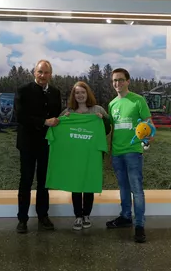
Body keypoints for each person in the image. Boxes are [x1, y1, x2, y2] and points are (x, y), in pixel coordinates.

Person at [14, 59, 62, 234]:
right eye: (40, 72)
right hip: (27, 144)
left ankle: (43, 216)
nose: (43, 75)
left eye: (46, 72)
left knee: (44, 182)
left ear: (51, 74)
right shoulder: (23, 91)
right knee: (25, 181)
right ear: (34, 72)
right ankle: (22, 219)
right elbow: (20, 116)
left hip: (47, 144)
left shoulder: (55, 92)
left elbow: (58, 116)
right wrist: (44, 122)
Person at [56, 81, 111, 231]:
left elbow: (107, 129)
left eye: (83, 92)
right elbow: (59, 129)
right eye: (77, 93)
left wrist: (102, 120)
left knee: (88, 185)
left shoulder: (97, 110)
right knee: (76, 185)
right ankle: (78, 216)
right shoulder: (68, 111)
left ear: (88, 94)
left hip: (92, 154)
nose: (80, 95)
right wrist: (63, 120)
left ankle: (86, 215)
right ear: (74, 96)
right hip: (74, 155)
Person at [106, 68, 152, 243]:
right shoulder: (112, 104)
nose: (117, 83)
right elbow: (111, 129)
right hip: (117, 153)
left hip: (133, 152)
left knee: (137, 190)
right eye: (114, 81)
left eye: (120, 80)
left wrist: (148, 137)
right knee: (123, 188)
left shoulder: (138, 101)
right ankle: (125, 217)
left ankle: (139, 225)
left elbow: (148, 124)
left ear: (128, 81)